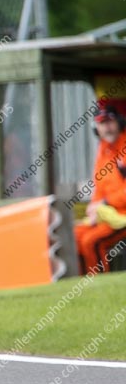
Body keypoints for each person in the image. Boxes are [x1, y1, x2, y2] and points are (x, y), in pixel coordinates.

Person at [74, 105, 126, 275]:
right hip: (108, 214)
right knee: (76, 236)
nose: (107, 127)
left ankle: (99, 284)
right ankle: (80, 282)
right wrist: (94, 207)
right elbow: (99, 188)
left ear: (119, 123)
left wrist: (105, 203)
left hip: (122, 215)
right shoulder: (103, 151)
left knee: (92, 241)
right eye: (102, 123)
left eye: (110, 122)